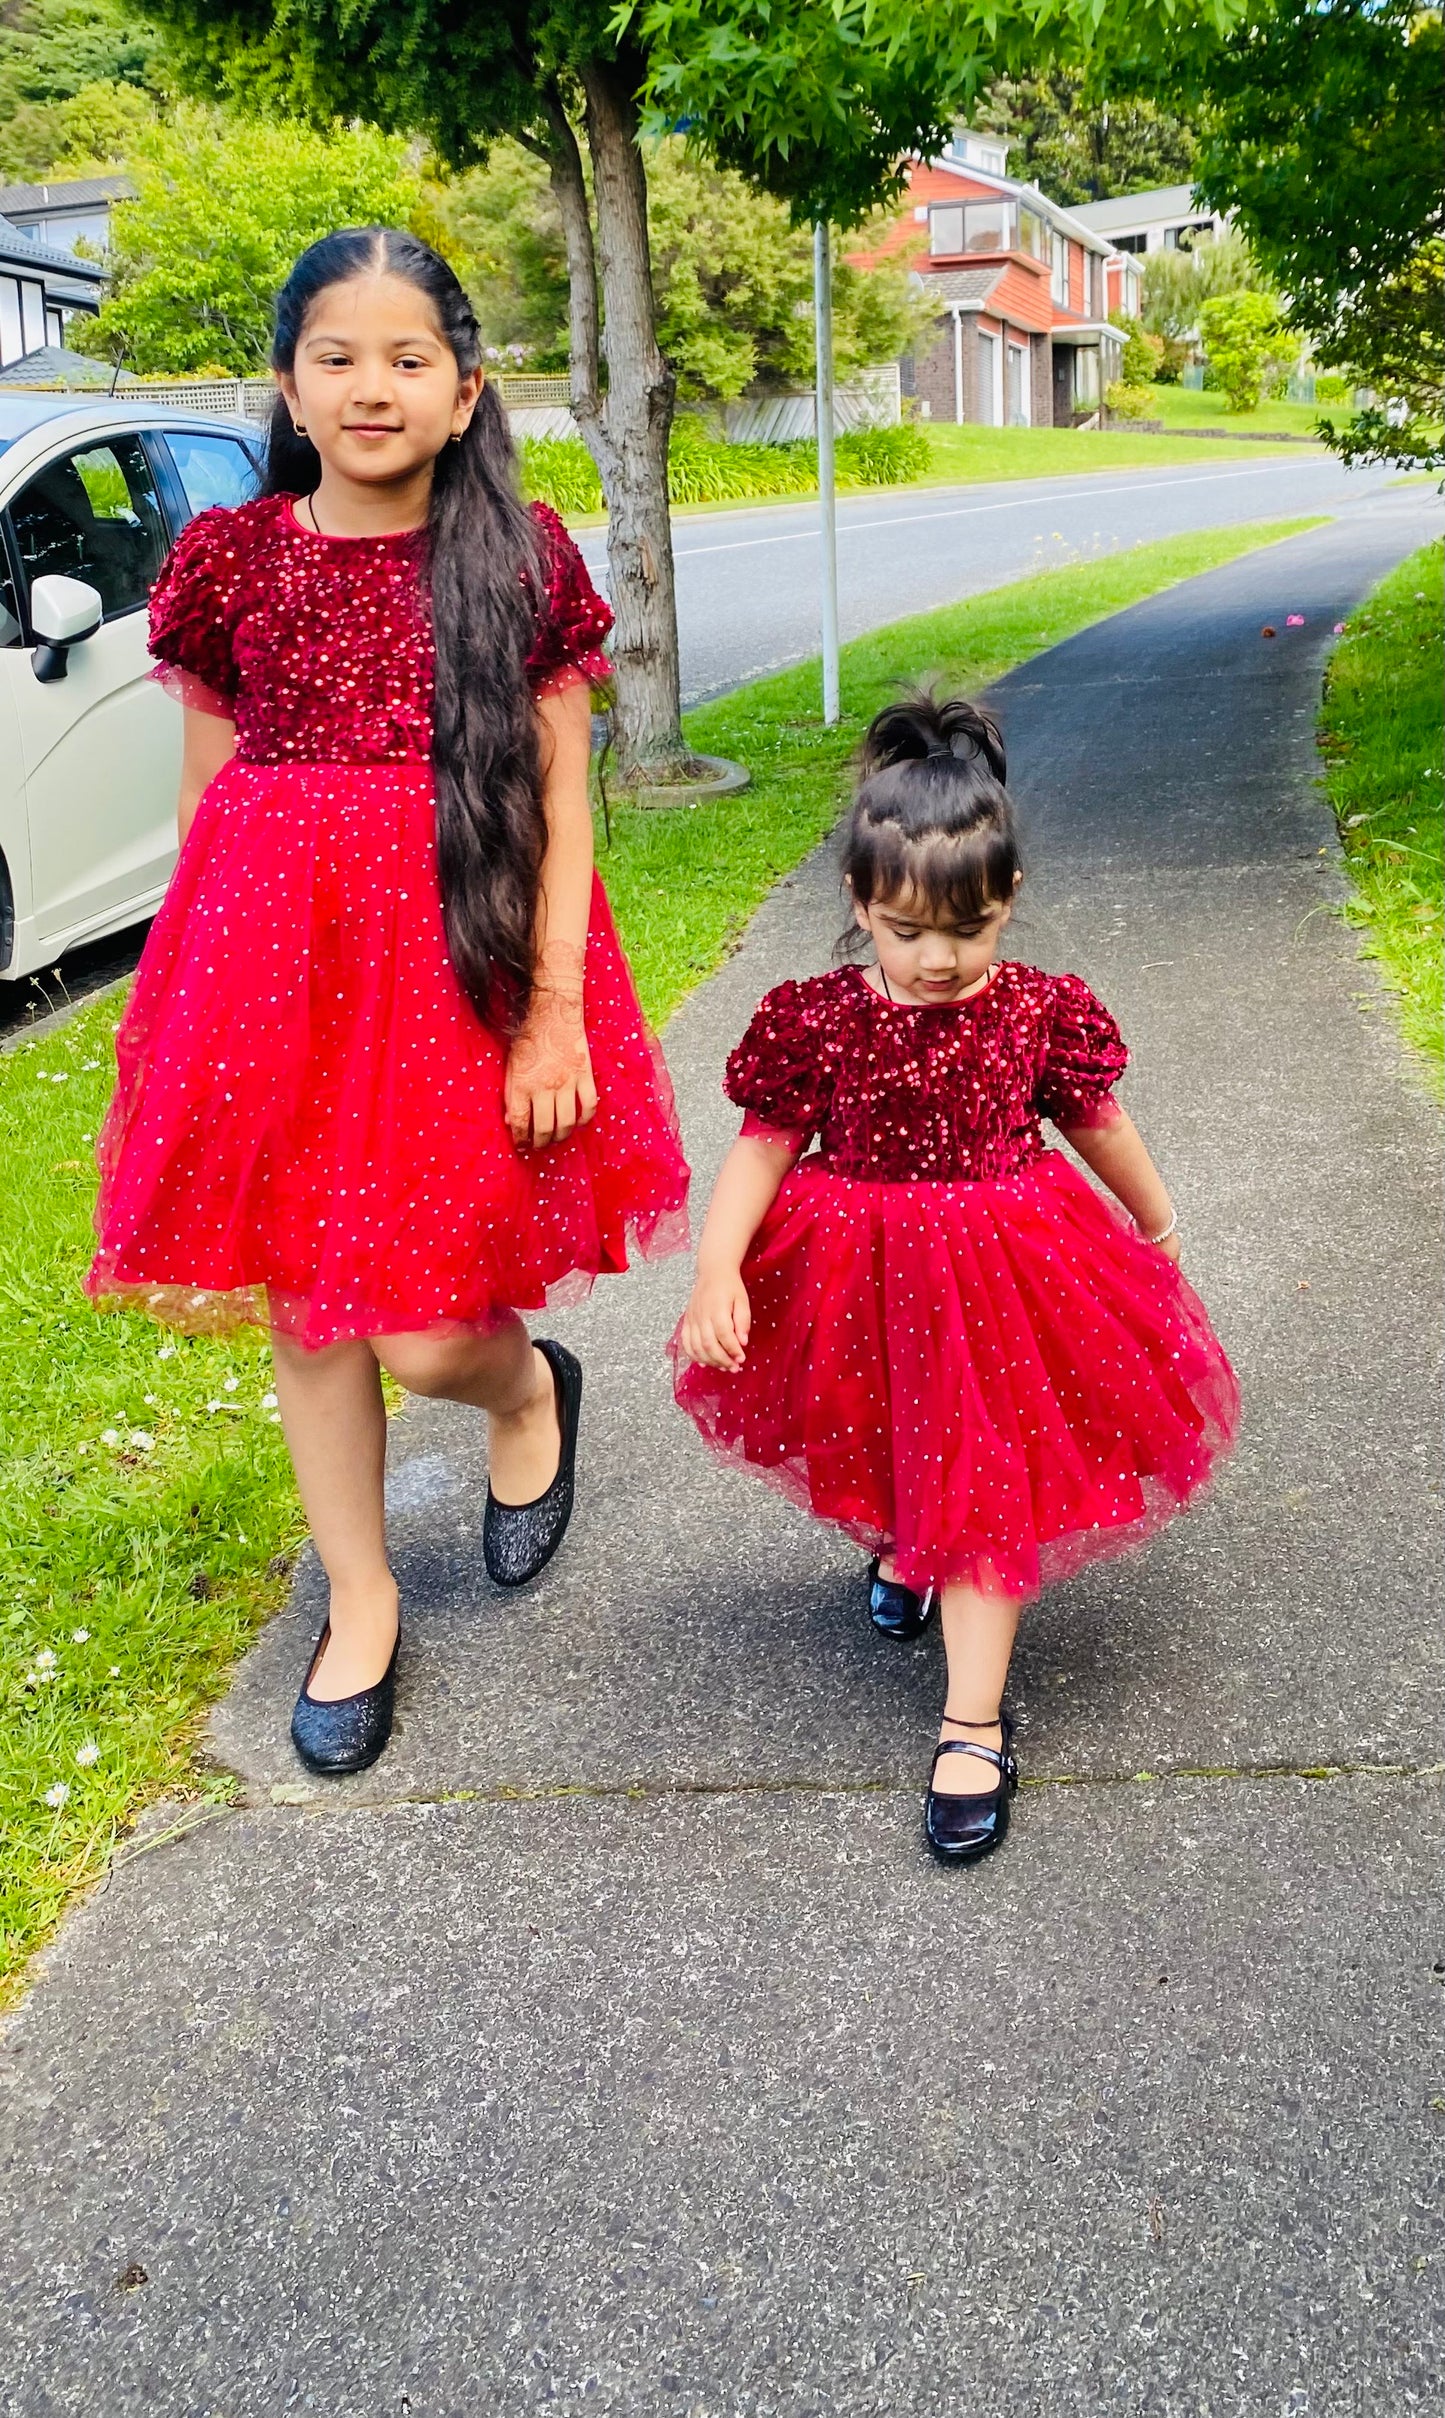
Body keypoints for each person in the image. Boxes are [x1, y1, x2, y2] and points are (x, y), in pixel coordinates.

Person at [87, 228, 689, 1776]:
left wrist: (554, 1012)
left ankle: (523, 1392)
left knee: (425, 1332)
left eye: (408, 357)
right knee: (308, 1303)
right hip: (270, 975)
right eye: (336, 356)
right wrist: (184, 1003)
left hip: (459, 968)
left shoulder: (518, 557)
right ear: (287, 382)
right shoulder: (227, 560)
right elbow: (207, 803)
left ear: (466, 386)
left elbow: (562, 798)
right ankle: (360, 1601)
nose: (371, 386)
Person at [673, 692, 1238, 1865]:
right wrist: (716, 1269)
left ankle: (970, 1720)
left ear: (1008, 899)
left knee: (985, 1474)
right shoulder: (818, 1021)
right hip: (857, 1264)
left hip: (1007, 1267)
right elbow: (763, 1149)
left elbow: (1098, 1121)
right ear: (857, 905)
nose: (939, 960)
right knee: (880, 1423)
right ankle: (899, 1544)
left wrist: (1155, 1218)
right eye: (905, 932)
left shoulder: (1035, 1009)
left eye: (968, 931)